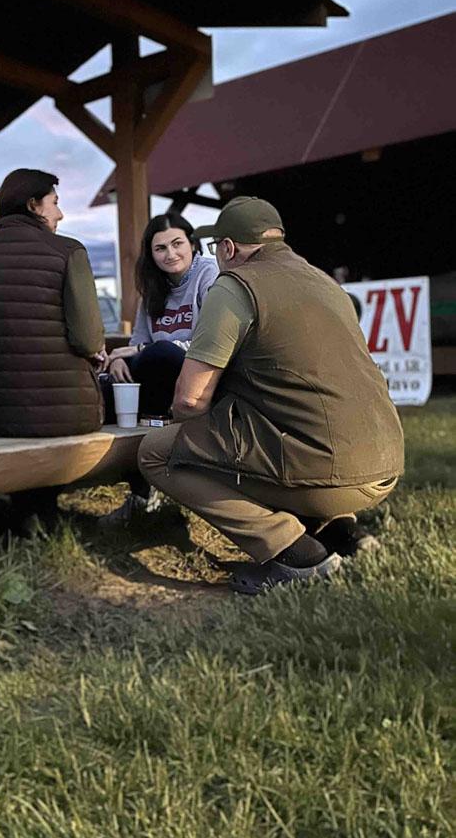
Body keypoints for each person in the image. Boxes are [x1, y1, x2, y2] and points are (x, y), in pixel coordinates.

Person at [138, 196, 403, 595]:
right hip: (384, 462)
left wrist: (185, 430)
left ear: (228, 248)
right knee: (288, 425)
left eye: (215, 246)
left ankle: (295, 553)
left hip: (327, 474)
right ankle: (339, 529)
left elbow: (190, 400)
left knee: (157, 452)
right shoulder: (324, 283)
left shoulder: (234, 285)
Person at [0, 168, 105, 437]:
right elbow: (89, 341)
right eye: (55, 203)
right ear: (33, 205)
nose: (60, 214)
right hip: (62, 416)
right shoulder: (68, 251)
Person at [106, 211, 218, 416]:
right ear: (151, 254)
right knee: (109, 385)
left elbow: (210, 343)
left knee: (162, 351)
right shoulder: (152, 289)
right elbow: (137, 344)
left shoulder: (209, 274)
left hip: (199, 370)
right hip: (157, 370)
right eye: (161, 248)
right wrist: (118, 360)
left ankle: (153, 412)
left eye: (177, 244)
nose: (170, 254)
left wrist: (142, 349)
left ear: (192, 244)